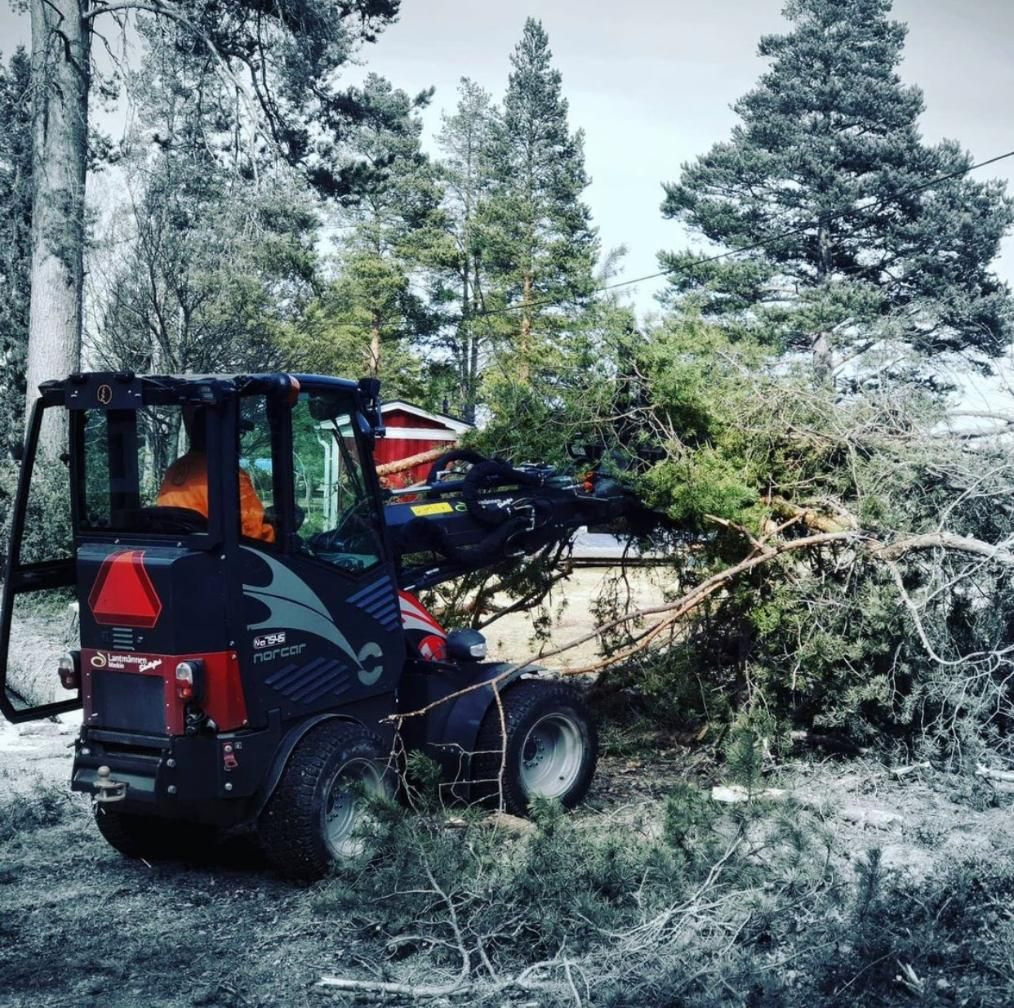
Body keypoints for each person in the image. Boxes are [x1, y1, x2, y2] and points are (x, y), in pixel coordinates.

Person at [157, 405, 276, 543]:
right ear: (221, 434)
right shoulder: (227, 472)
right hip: (218, 554)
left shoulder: (175, 469)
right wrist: (277, 529)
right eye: (237, 434)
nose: (238, 441)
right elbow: (254, 532)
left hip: (184, 547)